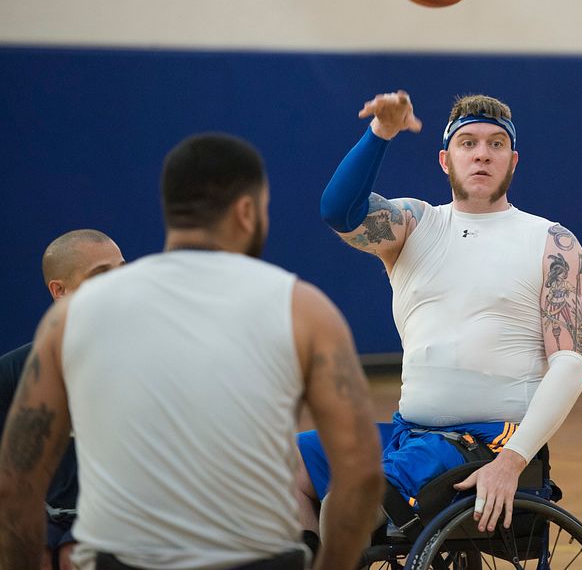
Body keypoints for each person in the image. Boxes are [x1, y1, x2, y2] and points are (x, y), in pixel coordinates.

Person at [0, 133, 384, 570]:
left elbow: (16, 487)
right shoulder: (302, 309)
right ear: (247, 211)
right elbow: (359, 471)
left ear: (170, 209)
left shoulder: (73, 320)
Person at [297, 90, 582, 536]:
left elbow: (570, 366)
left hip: (487, 441)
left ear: (513, 161)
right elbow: (339, 211)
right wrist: (382, 132)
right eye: (468, 143)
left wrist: (513, 462)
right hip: (410, 435)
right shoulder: (415, 225)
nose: (482, 155)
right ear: (445, 159)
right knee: (277, 465)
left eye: (496, 144)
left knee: (348, 499)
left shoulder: (553, 243)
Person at [0, 229, 124, 570]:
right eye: (101, 274)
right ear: (60, 290)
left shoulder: (156, 364)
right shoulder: (14, 373)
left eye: (122, 269)